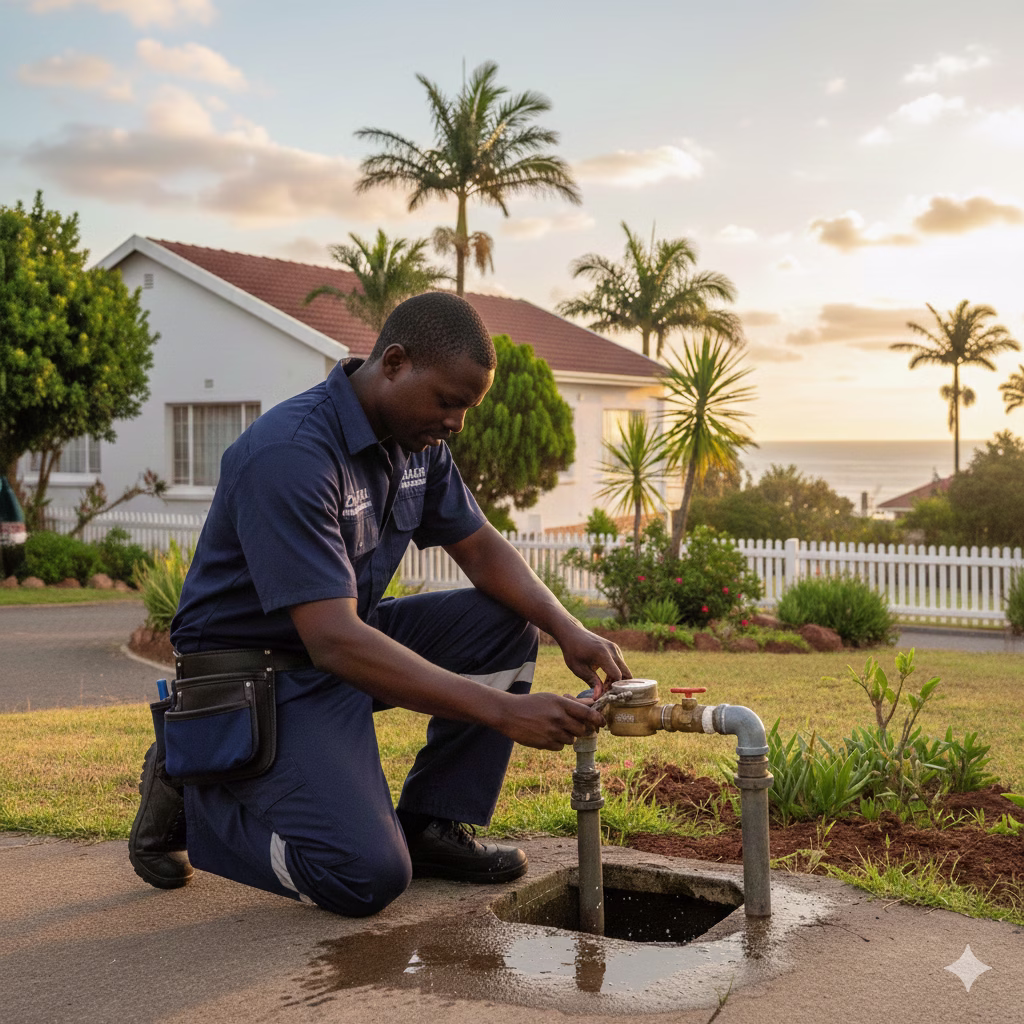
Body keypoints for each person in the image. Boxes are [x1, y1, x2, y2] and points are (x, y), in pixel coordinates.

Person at [128, 291, 630, 916]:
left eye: (467, 408)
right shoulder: (292, 454)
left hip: (340, 644)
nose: (457, 423)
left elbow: (480, 548)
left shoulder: (415, 445)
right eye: (448, 402)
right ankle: (193, 785)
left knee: (503, 624)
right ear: (394, 363)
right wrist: (504, 712)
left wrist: (568, 627)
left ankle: (431, 824)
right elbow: (332, 641)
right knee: (363, 876)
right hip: (256, 677)